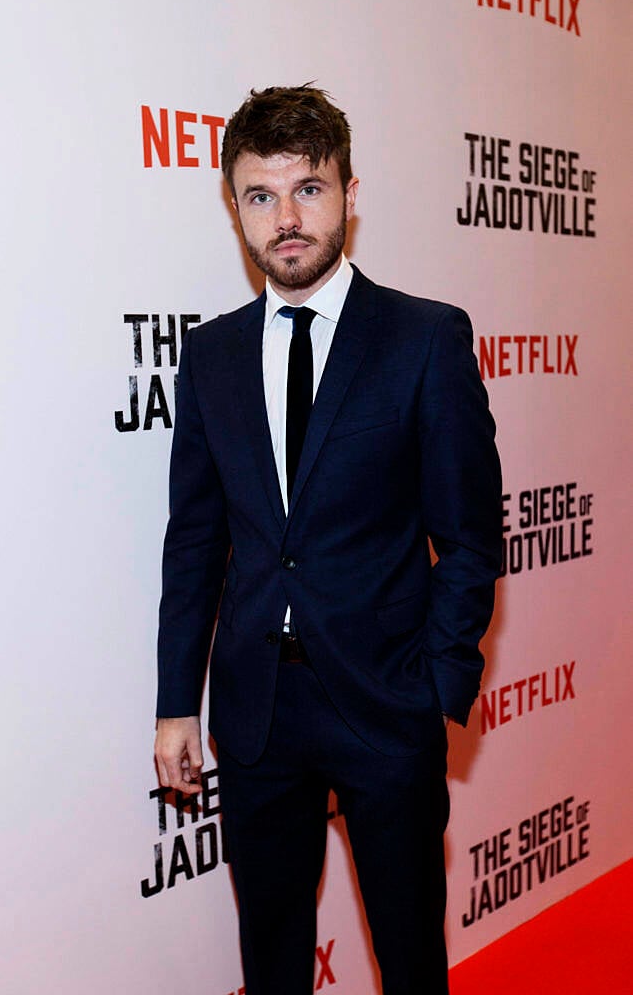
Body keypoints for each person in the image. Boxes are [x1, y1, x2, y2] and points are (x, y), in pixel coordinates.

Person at [154, 85, 502, 995]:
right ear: (235, 209)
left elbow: (467, 534)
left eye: (307, 188)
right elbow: (192, 543)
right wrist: (174, 704)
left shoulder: (423, 339)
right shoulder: (212, 356)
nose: (286, 218)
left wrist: (437, 682)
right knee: (271, 958)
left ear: (348, 191)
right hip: (257, 712)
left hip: (384, 703)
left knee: (408, 956)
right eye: (260, 197)